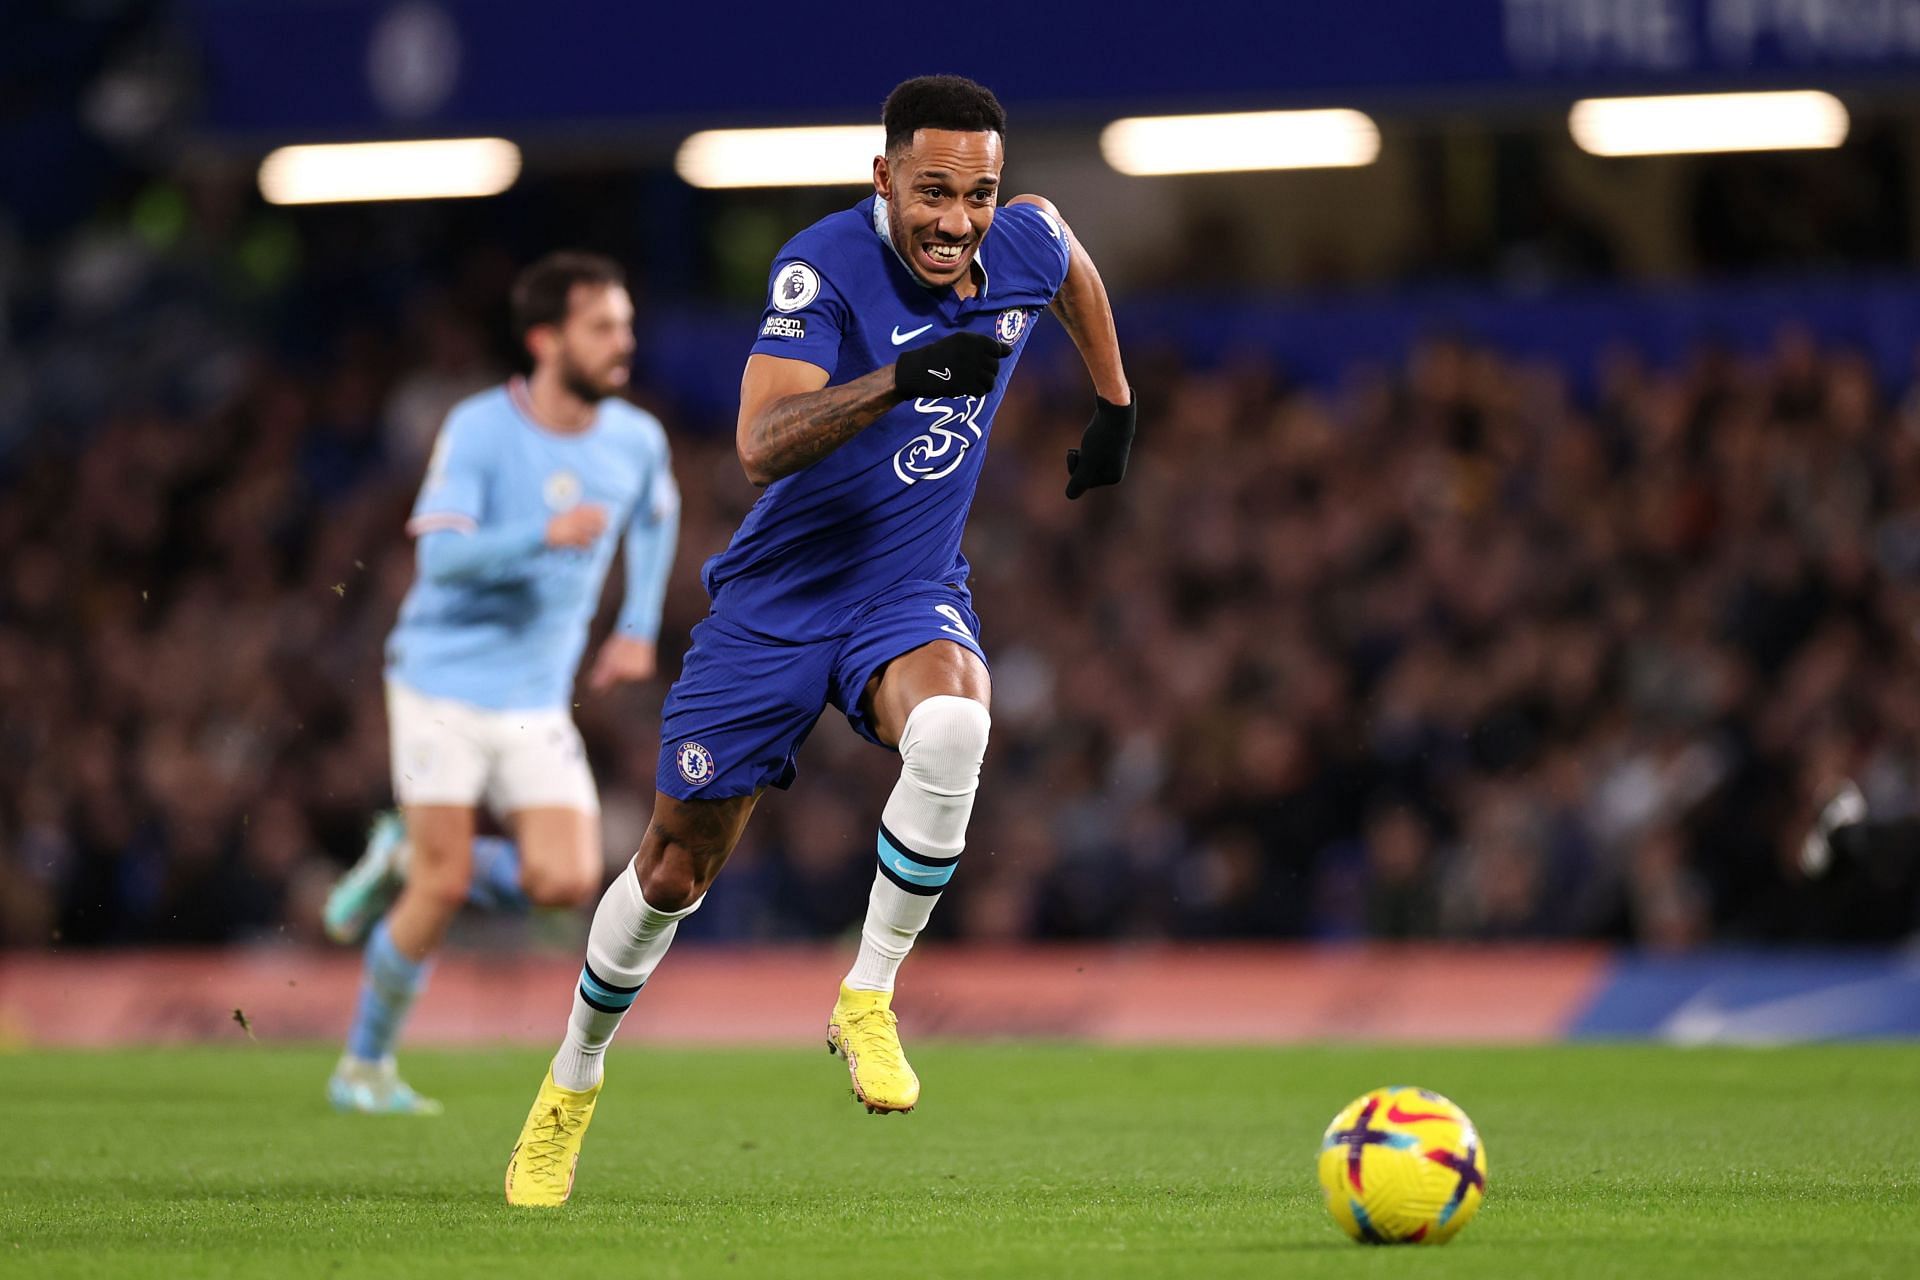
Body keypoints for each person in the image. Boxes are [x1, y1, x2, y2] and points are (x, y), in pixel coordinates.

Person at [503, 74, 1137, 1206]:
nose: (957, 220)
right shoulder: (824, 267)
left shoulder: (1023, 242)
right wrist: (900, 379)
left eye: (978, 194)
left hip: (905, 587)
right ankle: (572, 1080)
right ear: (883, 178)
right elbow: (761, 442)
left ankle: (868, 995)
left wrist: (1115, 402)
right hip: (778, 603)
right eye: (934, 191)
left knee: (952, 723)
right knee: (672, 866)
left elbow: (1070, 258)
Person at [322, 252, 680, 1114]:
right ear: (545, 339)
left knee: (565, 880)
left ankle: (405, 851)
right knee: (443, 888)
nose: (621, 343)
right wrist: (542, 535)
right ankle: (363, 1067)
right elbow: (440, 557)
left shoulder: (635, 439)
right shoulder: (481, 429)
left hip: (533, 698)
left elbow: (656, 519)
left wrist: (634, 629)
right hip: (441, 682)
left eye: (626, 326)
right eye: (602, 328)